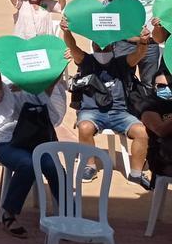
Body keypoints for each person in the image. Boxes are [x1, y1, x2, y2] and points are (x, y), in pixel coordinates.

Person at [62, 17, 150, 187]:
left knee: (141, 131)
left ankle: (136, 173)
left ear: (113, 47)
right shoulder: (86, 61)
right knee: (85, 127)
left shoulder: (122, 63)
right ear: (92, 46)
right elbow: (72, 46)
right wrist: (66, 31)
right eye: (97, 45)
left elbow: (139, 54)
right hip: (92, 112)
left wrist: (144, 42)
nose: (102, 49)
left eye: (106, 46)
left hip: (120, 112)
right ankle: (90, 166)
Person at [0, 54, 65, 238]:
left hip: (37, 142)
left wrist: (62, 62)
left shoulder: (38, 91)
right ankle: (9, 214)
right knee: (27, 165)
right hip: (8, 144)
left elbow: (53, 82)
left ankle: (69, 213)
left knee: (54, 166)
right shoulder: (6, 90)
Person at [90, 0, 172, 86]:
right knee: (122, 80)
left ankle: (146, 107)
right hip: (125, 44)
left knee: (149, 83)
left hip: (150, 45)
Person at [139, 66, 172, 181]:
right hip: (162, 155)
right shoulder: (149, 105)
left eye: (170, 85)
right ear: (154, 87)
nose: (167, 89)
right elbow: (160, 130)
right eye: (162, 86)